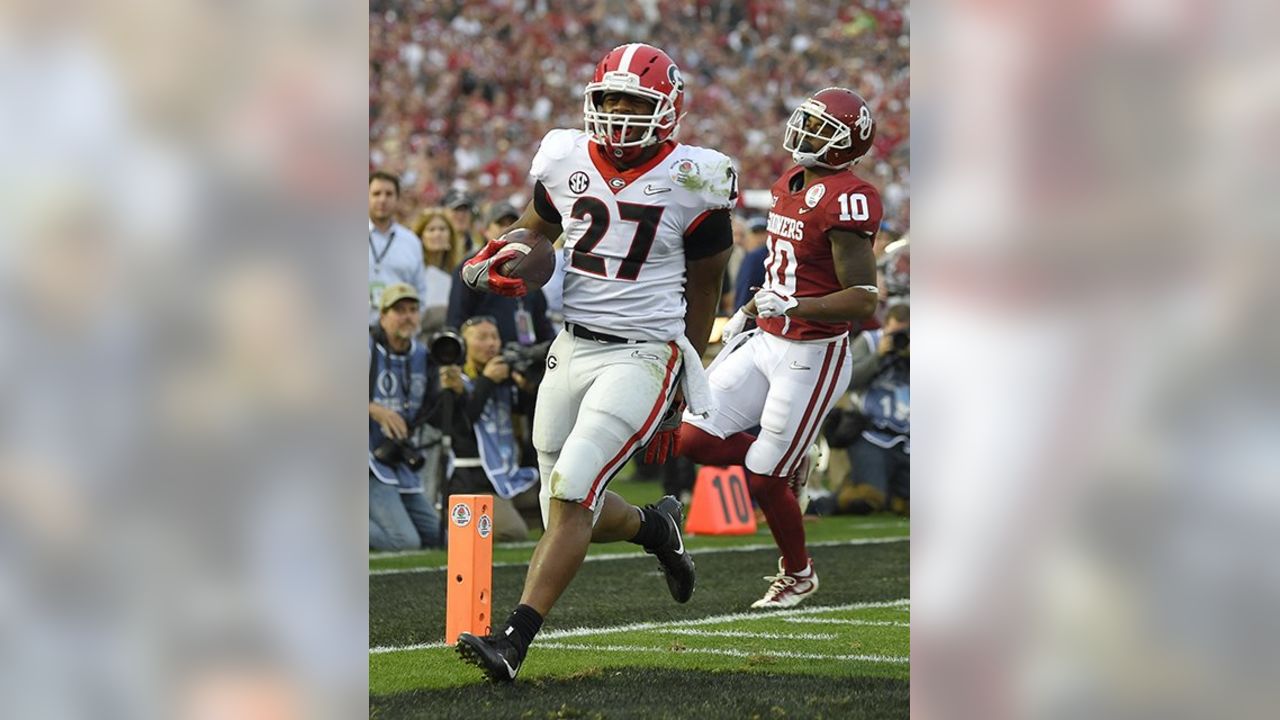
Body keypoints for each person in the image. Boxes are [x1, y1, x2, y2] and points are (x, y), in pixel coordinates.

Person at [453, 43, 736, 682]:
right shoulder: (565, 157)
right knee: (566, 504)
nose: (617, 113)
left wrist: (686, 378)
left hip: (643, 351)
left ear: (666, 110)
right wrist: (493, 256)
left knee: (577, 488)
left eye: (633, 102)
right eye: (608, 99)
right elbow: (536, 231)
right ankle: (657, 531)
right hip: (571, 344)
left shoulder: (699, 179)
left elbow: (708, 288)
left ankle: (514, 640)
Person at [658, 87, 884, 609]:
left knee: (763, 479)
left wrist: (797, 307)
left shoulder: (851, 196)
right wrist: (758, 306)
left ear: (848, 143)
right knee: (690, 436)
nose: (805, 133)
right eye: (806, 121)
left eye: (821, 128)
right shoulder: (790, 181)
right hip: (767, 337)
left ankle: (798, 572)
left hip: (814, 352)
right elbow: (788, 271)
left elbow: (862, 298)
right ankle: (788, 465)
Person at [369, 283, 464, 550]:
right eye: (399, 310)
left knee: (440, 538)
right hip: (367, 462)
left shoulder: (425, 355)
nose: (408, 316)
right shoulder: (365, 348)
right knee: (405, 541)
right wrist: (372, 408)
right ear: (382, 316)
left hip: (400, 460)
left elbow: (433, 415)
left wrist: (452, 391)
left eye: (413, 309)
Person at [444, 316, 542, 542]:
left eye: (494, 337)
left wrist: (527, 389)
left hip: (509, 476)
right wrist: (486, 381)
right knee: (513, 532)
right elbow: (461, 426)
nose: (491, 344)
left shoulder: (505, 379)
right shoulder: (453, 379)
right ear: (464, 345)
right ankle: (463, 521)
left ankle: (504, 515)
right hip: (472, 482)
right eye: (482, 338)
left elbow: (534, 420)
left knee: (560, 504)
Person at [446, 202, 554, 348]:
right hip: (485, 358)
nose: (507, 229)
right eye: (500, 224)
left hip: (524, 359)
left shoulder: (530, 268)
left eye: (512, 224)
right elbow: (457, 320)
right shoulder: (472, 268)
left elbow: (542, 322)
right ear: (485, 231)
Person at [847, 302, 910, 512]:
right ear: (885, 326)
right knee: (869, 499)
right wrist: (878, 356)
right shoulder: (870, 341)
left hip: (907, 438)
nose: (899, 338)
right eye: (895, 333)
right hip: (871, 434)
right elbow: (847, 380)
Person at [369, 172, 428, 326]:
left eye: (389, 194)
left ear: (397, 199)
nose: (382, 199)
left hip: (398, 331)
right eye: (376, 194)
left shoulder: (410, 241)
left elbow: (420, 289)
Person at [410, 208, 464, 335]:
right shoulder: (413, 272)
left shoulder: (459, 272)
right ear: (420, 236)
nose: (437, 234)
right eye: (431, 230)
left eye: (442, 229)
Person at [443, 188, 484, 254]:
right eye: (456, 210)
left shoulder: (479, 245)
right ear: (445, 212)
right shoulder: (437, 246)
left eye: (465, 210)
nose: (461, 215)